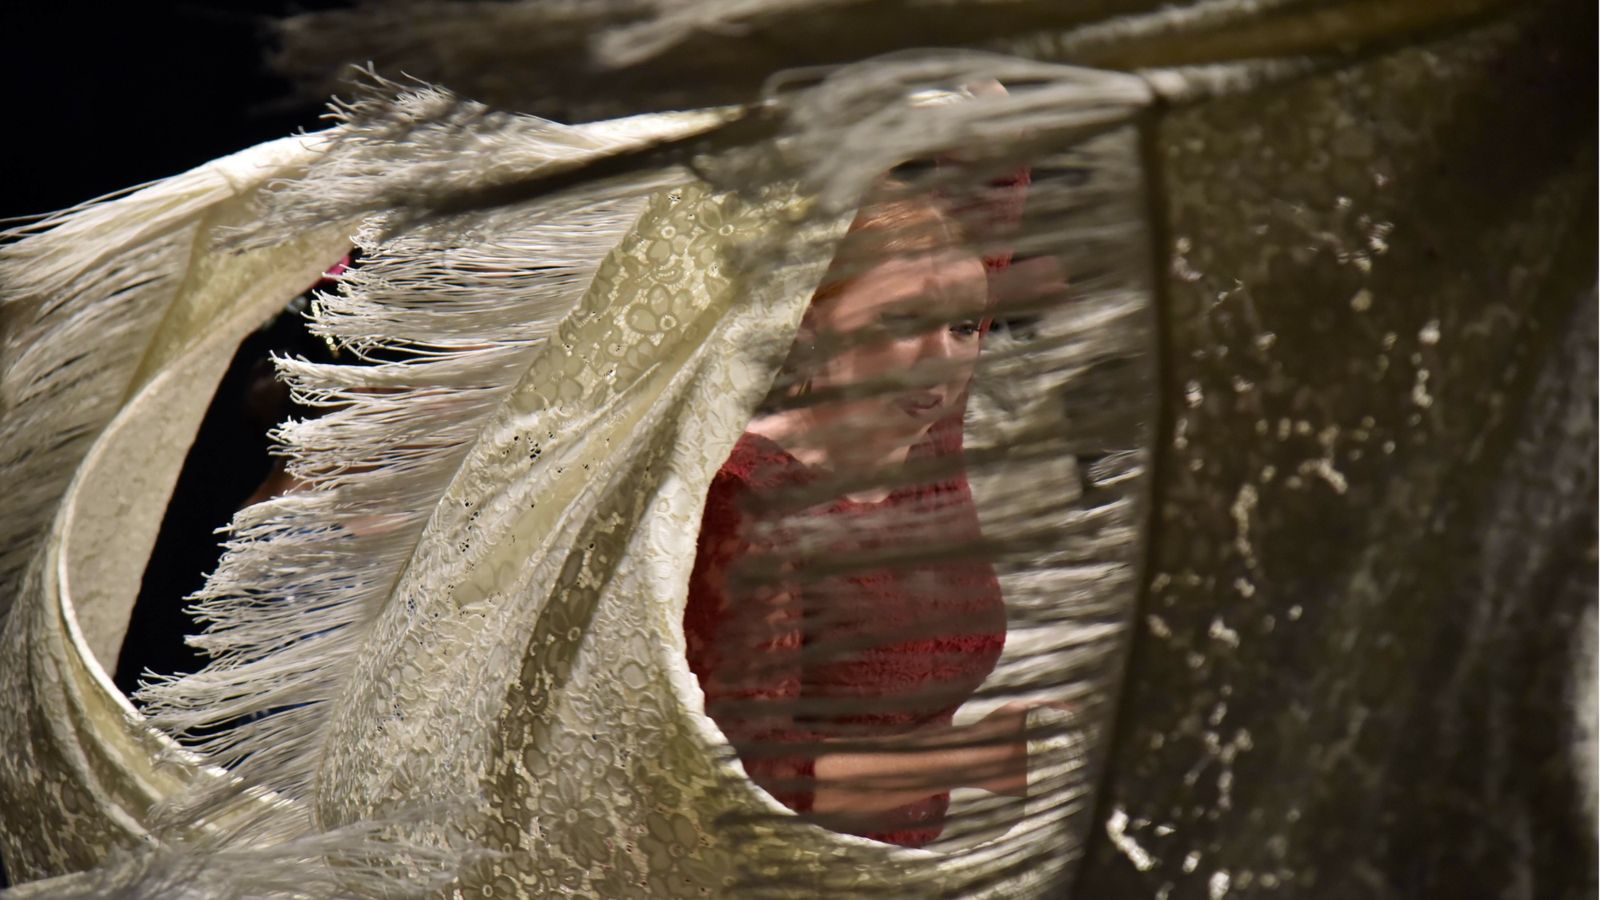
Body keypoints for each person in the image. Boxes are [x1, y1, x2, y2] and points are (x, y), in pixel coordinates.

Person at [684, 184, 1044, 848]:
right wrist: (972, 759)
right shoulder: (754, 497)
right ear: (813, 323)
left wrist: (978, 107)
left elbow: (988, 216)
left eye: (963, 329)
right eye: (902, 321)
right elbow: (746, 769)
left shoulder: (925, 437)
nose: (942, 357)